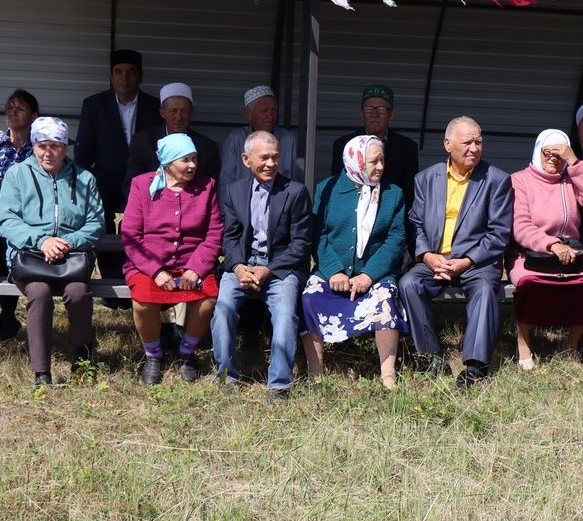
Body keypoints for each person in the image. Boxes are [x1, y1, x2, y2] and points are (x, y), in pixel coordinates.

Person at [399, 116, 513, 387]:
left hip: (476, 262)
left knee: (485, 290)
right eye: (467, 142)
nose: (474, 148)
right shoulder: (426, 178)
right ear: (448, 144)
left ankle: (475, 366)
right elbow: (415, 222)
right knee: (408, 284)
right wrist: (427, 255)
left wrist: (466, 261)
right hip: (435, 258)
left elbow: (499, 233)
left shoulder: (496, 180)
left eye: (479, 141)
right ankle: (431, 357)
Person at [0, 117, 105, 387]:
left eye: (55, 146)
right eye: (42, 145)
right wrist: (42, 241)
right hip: (30, 257)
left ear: (65, 148)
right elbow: (8, 221)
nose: (48, 152)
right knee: (39, 292)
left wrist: (67, 242)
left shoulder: (85, 178)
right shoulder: (17, 175)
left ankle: (83, 360)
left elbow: (96, 222)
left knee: (78, 293)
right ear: (33, 146)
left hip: (72, 256)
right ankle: (41, 371)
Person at [301, 135, 407, 388]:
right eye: (374, 161)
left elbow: (396, 240)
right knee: (309, 297)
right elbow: (318, 235)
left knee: (385, 301)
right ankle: (315, 371)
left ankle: (388, 373)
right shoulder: (327, 189)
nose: (381, 166)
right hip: (332, 272)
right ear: (356, 162)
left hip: (376, 274)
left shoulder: (393, 194)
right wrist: (334, 271)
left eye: (382, 160)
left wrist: (368, 275)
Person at [211, 131, 312, 397]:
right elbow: (230, 236)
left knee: (284, 314)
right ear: (246, 159)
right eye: (264, 157)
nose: (270, 163)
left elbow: (300, 243)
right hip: (243, 265)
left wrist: (268, 270)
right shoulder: (234, 191)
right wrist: (237, 267)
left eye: (275, 157)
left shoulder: (295, 192)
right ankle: (226, 377)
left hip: (280, 268)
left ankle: (279, 383)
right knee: (222, 309)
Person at [121, 133, 223, 385]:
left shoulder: (206, 185)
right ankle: (153, 354)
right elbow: (131, 234)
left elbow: (214, 233)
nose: (192, 166)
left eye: (194, 159)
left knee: (208, 297)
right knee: (143, 301)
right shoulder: (141, 185)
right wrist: (155, 271)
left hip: (190, 266)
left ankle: (186, 351)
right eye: (185, 160)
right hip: (148, 267)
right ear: (167, 161)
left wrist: (196, 269)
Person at [507, 129, 583, 370]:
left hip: (570, 250)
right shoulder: (520, 180)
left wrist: (574, 162)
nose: (553, 158)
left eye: (560, 154)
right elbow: (520, 227)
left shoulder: (569, 179)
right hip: (529, 251)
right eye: (547, 152)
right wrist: (551, 245)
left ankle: (571, 344)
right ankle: (524, 342)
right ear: (537, 151)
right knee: (529, 284)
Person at [75, 49, 160, 240]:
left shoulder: (155, 106)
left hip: (144, 179)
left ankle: (132, 266)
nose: (125, 77)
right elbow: (83, 150)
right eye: (119, 71)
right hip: (104, 178)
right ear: (111, 76)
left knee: (139, 228)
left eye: (131, 71)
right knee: (100, 227)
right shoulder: (94, 105)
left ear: (140, 76)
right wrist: (82, 182)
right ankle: (109, 269)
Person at [0, 88, 38, 340]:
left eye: (20, 108)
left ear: (34, 115)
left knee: (27, 263)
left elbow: (40, 188)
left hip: (33, 218)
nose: (13, 113)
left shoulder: (40, 146)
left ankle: (32, 313)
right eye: (9, 108)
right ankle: (7, 314)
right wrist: (16, 192)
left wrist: (9, 190)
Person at [331, 85, 420, 207]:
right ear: (361, 114)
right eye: (368, 109)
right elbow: (338, 186)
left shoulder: (407, 147)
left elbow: (410, 192)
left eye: (381, 109)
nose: (374, 114)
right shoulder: (344, 144)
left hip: (392, 214)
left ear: (391, 115)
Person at [125, 83, 222, 192]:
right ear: (162, 113)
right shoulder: (142, 142)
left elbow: (211, 191)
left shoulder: (208, 148)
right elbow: (132, 186)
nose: (179, 117)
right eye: (173, 111)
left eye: (184, 111)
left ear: (191, 112)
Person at [221, 86, 299, 187]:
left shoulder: (288, 139)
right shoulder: (236, 139)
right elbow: (226, 181)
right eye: (265, 111)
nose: (270, 116)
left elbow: (294, 182)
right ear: (248, 114)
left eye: (274, 110)